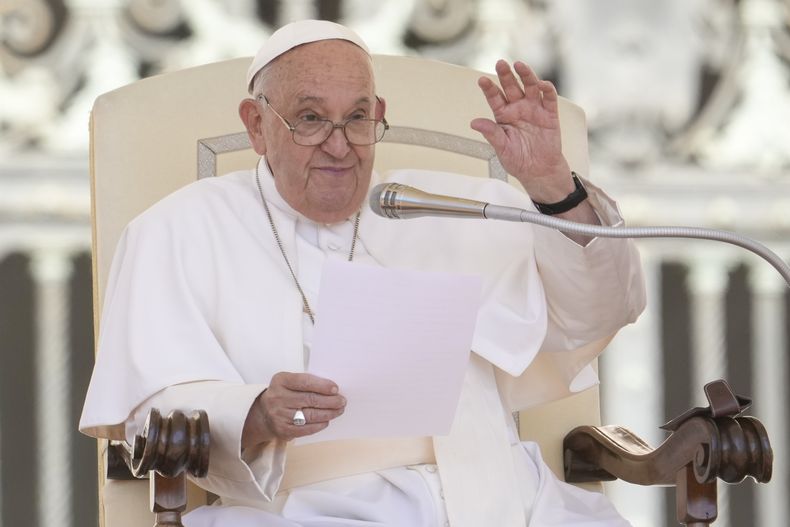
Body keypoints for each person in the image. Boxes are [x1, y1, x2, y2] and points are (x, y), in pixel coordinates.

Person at [80, 19, 646, 527]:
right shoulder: (176, 229)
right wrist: (254, 412)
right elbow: (148, 415)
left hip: (504, 496)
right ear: (256, 125)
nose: (339, 146)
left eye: (357, 119)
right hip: (300, 507)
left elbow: (600, 311)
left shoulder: (452, 205)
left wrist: (552, 185)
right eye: (309, 119)